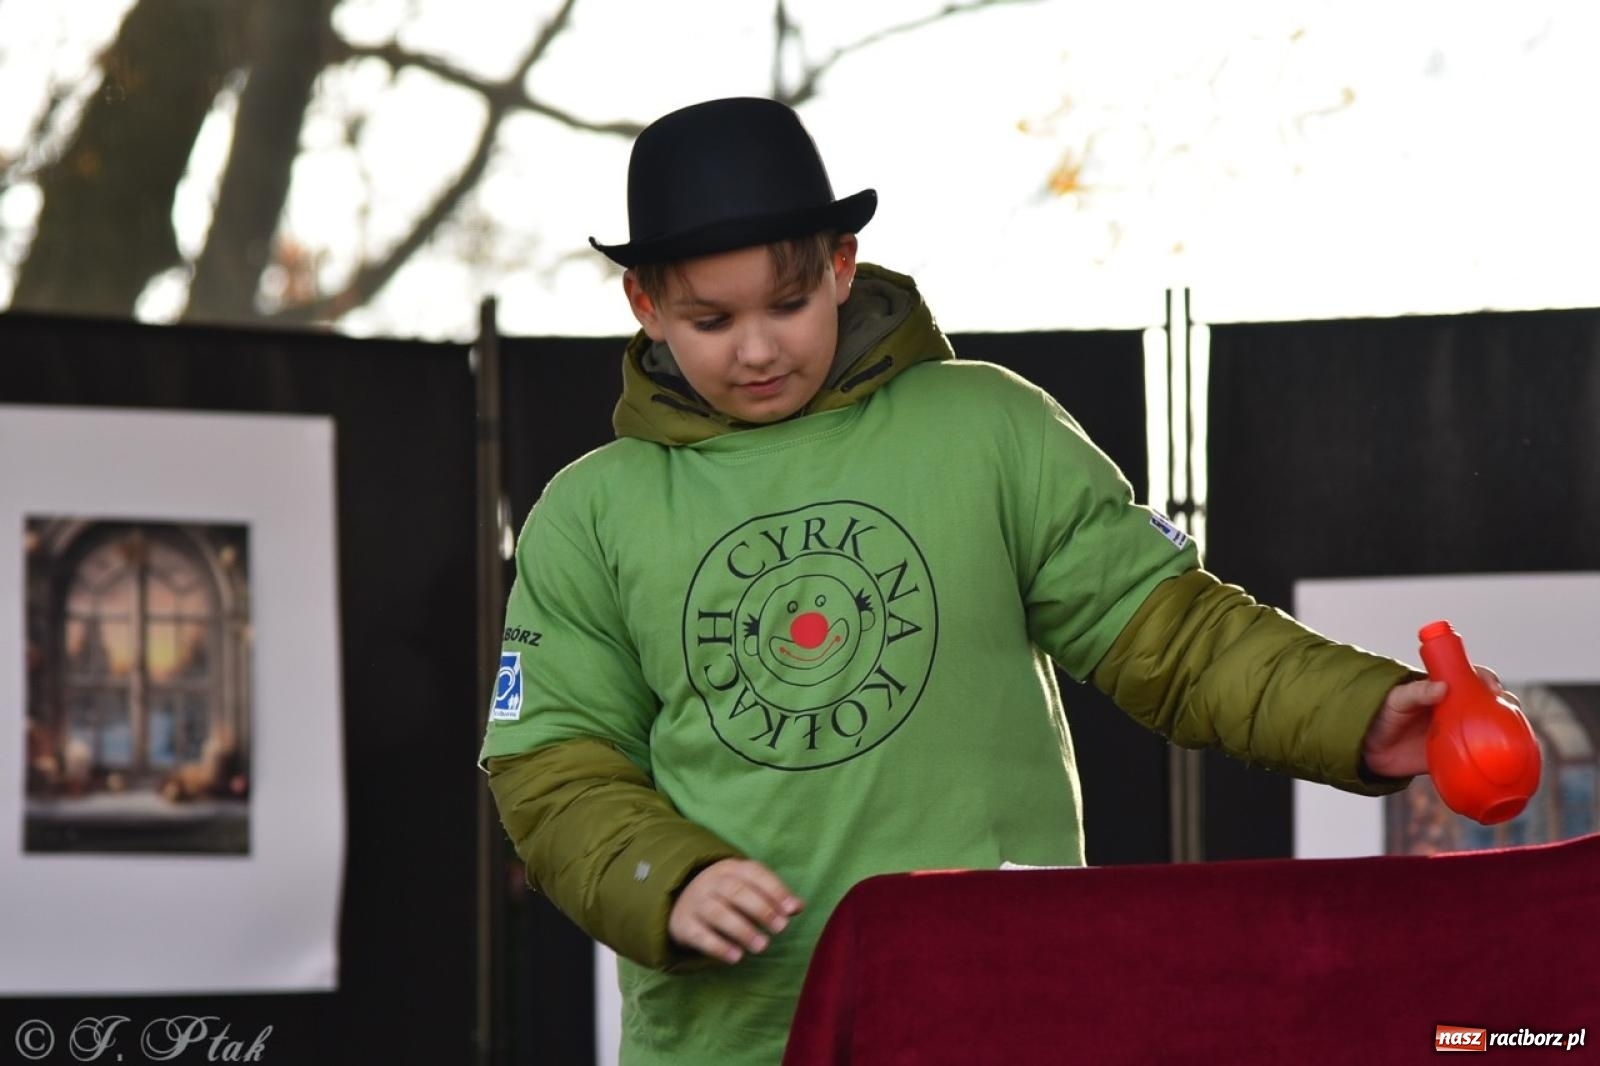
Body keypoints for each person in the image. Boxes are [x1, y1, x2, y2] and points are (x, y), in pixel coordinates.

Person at [479, 97, 1512, 1065]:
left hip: (1005, 1013)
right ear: (645, 304)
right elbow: (553, 768)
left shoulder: (988, 427)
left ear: (843, 266)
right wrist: (668, 878)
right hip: (736, 1038)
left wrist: (1357, 714)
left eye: (788, 302)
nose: (757, 348)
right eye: (710, 320)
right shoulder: (589, 512)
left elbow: (1174, 635)